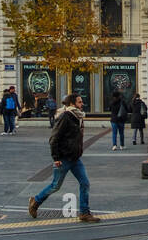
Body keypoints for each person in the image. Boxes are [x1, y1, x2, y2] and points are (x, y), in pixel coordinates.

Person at [28, 94, 98, 223]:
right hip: (64, 158)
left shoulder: (78, 116)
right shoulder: (66, 116)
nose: (82, 104)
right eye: (79, 102)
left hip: (75, 158)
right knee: (55, 186)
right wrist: (56, 158)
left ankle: (84, 212)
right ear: (72, 103)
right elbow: (54, 138)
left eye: (82, 102)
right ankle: (35, 201)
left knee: (85, 183)